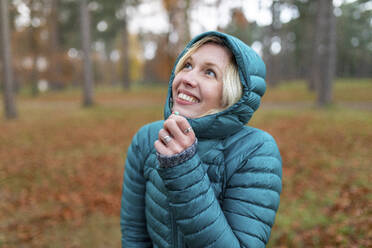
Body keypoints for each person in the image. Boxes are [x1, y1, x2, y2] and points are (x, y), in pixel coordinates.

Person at [120, 31, 282, 248]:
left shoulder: (257, 150)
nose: (187, 78)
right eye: (187, 65)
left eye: (209, 72)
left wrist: (182, 167)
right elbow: (134, 236)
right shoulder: (146, 139)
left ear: (233, 94)